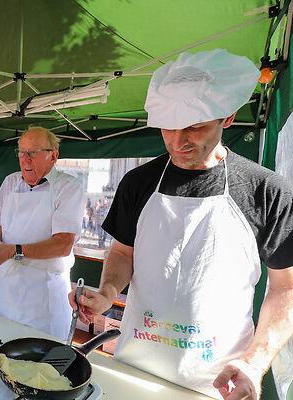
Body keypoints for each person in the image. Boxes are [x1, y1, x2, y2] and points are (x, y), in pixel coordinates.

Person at [68, 49, 293, 399]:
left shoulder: (267, 191)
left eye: (194, 126)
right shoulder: (138, 182)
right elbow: (123, 252)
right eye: (168, 127)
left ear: (228, 117)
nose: (177, 140)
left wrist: (255, 362)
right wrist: (108, 293)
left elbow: (285, 289)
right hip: (134, 367)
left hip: (218, 381)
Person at [0, 127, 85, 340]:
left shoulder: (68, 187)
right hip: (5, 291)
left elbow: (63, 244)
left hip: (42, 298)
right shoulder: (11, 182)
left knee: (39, 362)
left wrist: (14, 250)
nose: (25, 159)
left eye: (33, 153)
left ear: (53, 156)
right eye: (21, 152)